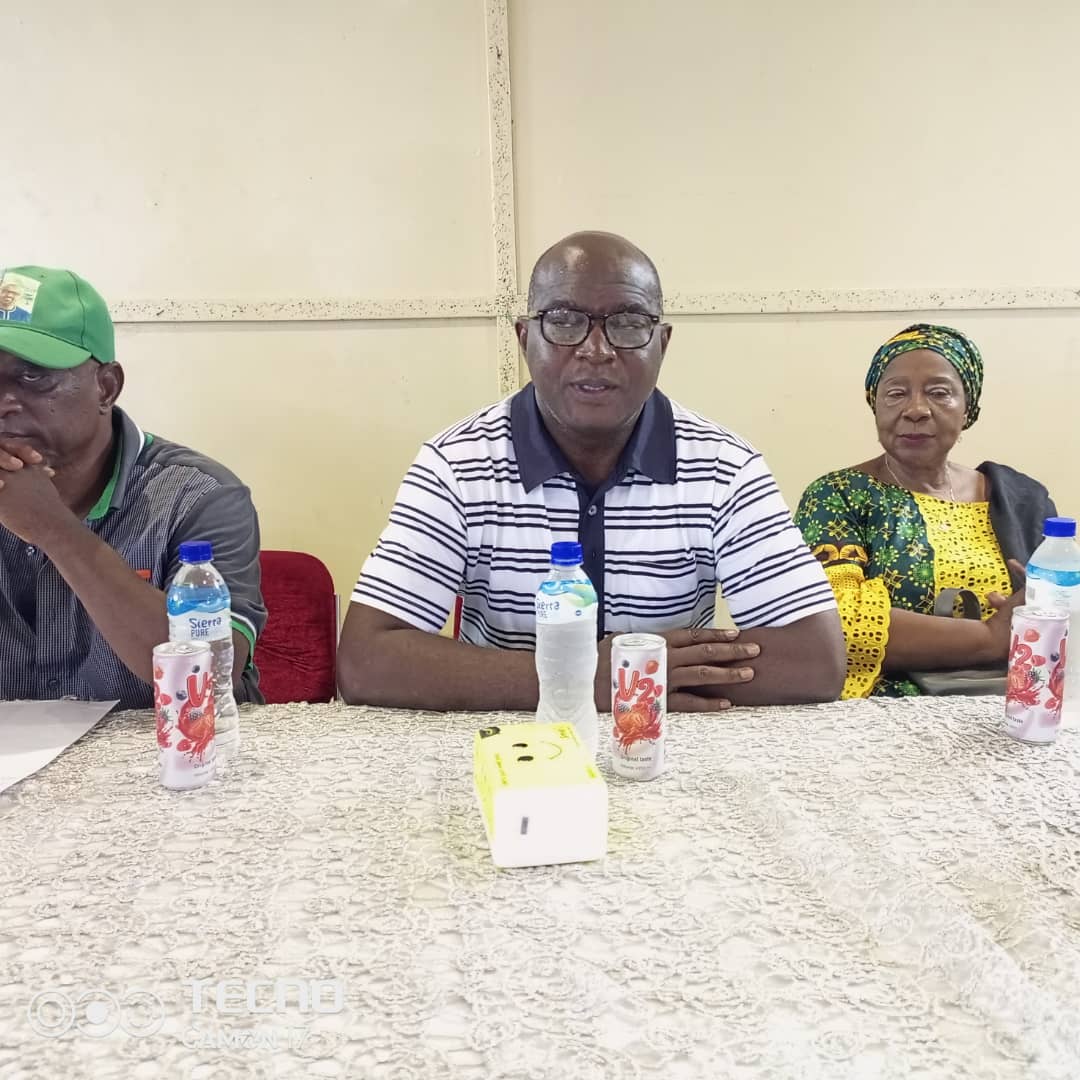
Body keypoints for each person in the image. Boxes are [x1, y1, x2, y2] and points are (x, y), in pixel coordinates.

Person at [339, 231, 845, 711]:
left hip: (663, 746)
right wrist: (581, 678)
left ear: (662, 343)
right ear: (524, 338)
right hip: (510, 745)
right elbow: (366, 661)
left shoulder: (724, 468)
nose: (596, 350)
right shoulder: (456, 465)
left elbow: (816, 660)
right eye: (563, 321)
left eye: (628, 323)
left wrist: (630, 678)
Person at [0, 265, 266, 708]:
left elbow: (207, 676)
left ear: (106, 387)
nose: (4, 403)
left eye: (32, 377)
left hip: (170, 748)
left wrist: (52, 528)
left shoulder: (200, 496)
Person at [794, 323, 1056, 698]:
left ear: (968, 408)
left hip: (1017, 704)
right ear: (875, 405)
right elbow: (831, 620)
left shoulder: (1023, 499)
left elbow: (1061, 608)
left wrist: (1045, 606)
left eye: (939, 393)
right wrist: (991, 636)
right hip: (883, 713)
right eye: (896, 393)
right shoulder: (838, 495)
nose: (915, 409)